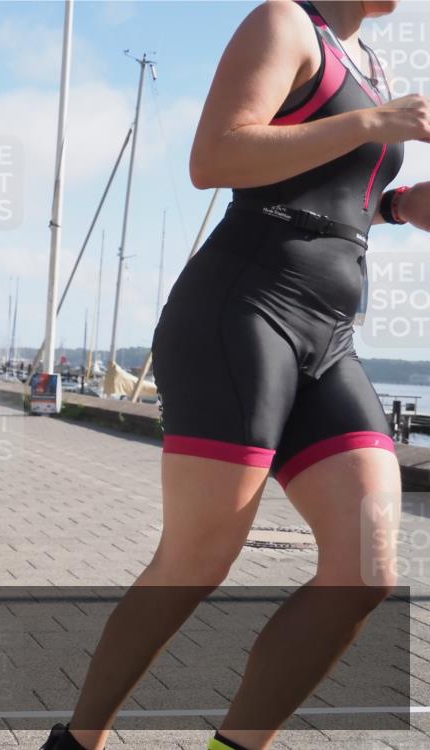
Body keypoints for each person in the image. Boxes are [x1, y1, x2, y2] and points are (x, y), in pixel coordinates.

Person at [42, 1, 429, 749]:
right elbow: (216, 157)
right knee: (197, 560)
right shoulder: (285, 23)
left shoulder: (373, 65)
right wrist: (369, 125)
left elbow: (325, 187)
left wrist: (399, 205)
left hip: (330, 332)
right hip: (242, 310)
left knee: (366, 568)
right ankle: (76, 742)